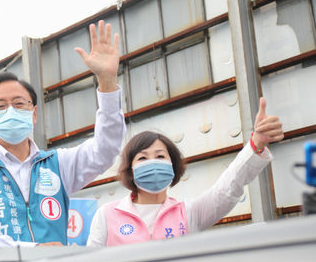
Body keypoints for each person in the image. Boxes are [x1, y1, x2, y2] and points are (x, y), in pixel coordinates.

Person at [0, 20, 126, 262]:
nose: (11, 110)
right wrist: (32, 253)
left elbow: (105, 150)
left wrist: (107, 83)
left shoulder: (58, 164)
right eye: (0, 106)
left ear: (34, 114)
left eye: (20, 103)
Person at [86, 97, 284, 246]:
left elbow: (227, 189)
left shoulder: (188, 213)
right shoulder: (106, 216)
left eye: (161, 156)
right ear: (130, 169)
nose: (152, 163)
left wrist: (256, 144)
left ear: (173, 166)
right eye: (143, 158)